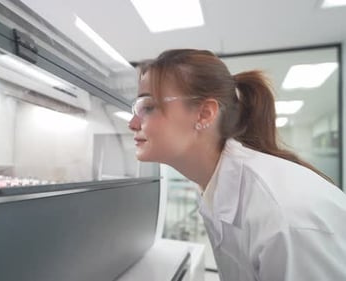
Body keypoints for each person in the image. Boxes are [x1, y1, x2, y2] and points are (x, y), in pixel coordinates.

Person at [128, 49, 346, 281]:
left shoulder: (283, 216)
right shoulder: (216, 187)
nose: (133, 123)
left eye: (148, 107)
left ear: (204, 114)